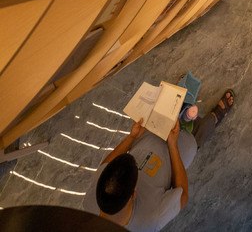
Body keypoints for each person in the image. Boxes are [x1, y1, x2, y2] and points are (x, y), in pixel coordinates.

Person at [82, 90, 234, 231]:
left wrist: (131, 137)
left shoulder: (90, 202)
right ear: (133, 194)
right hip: (175, 152)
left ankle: (180, 101)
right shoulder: (152, 219)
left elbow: (105, 165)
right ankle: (214, 118)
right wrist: (173, 146)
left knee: (170, 110)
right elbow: (182, 195)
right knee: (193, 140)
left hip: (149, 138)